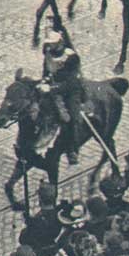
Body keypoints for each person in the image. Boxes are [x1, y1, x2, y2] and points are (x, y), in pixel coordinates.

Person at [40, 26, 87, 165]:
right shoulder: (48, 54)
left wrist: (52, 88)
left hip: (71, 90)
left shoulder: (70, 57)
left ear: (59, 43)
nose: (50, 45)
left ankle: (72, 150)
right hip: (52, 87)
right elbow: (46, 72)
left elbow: (71, 81)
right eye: (49, 43)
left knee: (72, 118)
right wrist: (44, 81)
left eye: (52, 43)